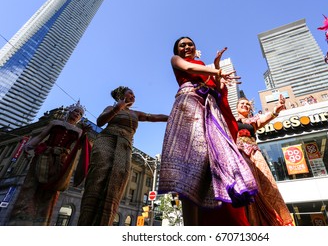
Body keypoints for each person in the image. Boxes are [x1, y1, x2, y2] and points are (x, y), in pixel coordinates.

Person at [158, 36, 258, 226]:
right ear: (177, 50)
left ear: (195, 48)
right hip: (188, 106)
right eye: (182, 45)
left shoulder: (203, 64)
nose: (187, 47)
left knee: (207, 167)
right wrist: (216, 69)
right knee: (190, 166)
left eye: (190, 44)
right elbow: (188, 69)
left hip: (210, 112)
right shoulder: (177, 60)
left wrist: (217, 70)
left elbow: (218, 88)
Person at [77, 86, 168, 226]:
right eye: (130, 93)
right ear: (121, 95)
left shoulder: (135, 114)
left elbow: (152, 116)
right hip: (106, 141)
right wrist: (116, 108)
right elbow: (100, 122)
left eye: (134, 94)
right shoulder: (110, 107)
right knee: (98, 174)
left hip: (124, 147)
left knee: (117, 179)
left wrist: (171, 117)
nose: (133, 96)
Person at [7, 101, 90, 226]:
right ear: (70, 111)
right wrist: (28, 145)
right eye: (75, 111)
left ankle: (41, 222)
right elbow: (41, 136)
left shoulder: (78, 131)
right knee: (31, 186)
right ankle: (20, 221)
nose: (77, 114)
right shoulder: (55, 123)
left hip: (60, 162)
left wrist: (85, 134)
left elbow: (81, 147)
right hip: (44, 155)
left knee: (50, 191)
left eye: (80, 114)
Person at [235, 96, 293, 226]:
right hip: (239, 154)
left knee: (266, 182)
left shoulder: (252, 122)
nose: (245, 105)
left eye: (248, 104)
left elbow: (265, 118)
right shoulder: (231, 120)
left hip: (255, 154)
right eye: (242, 103)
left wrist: (276, 110)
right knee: (246, 183)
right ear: (237, 107)